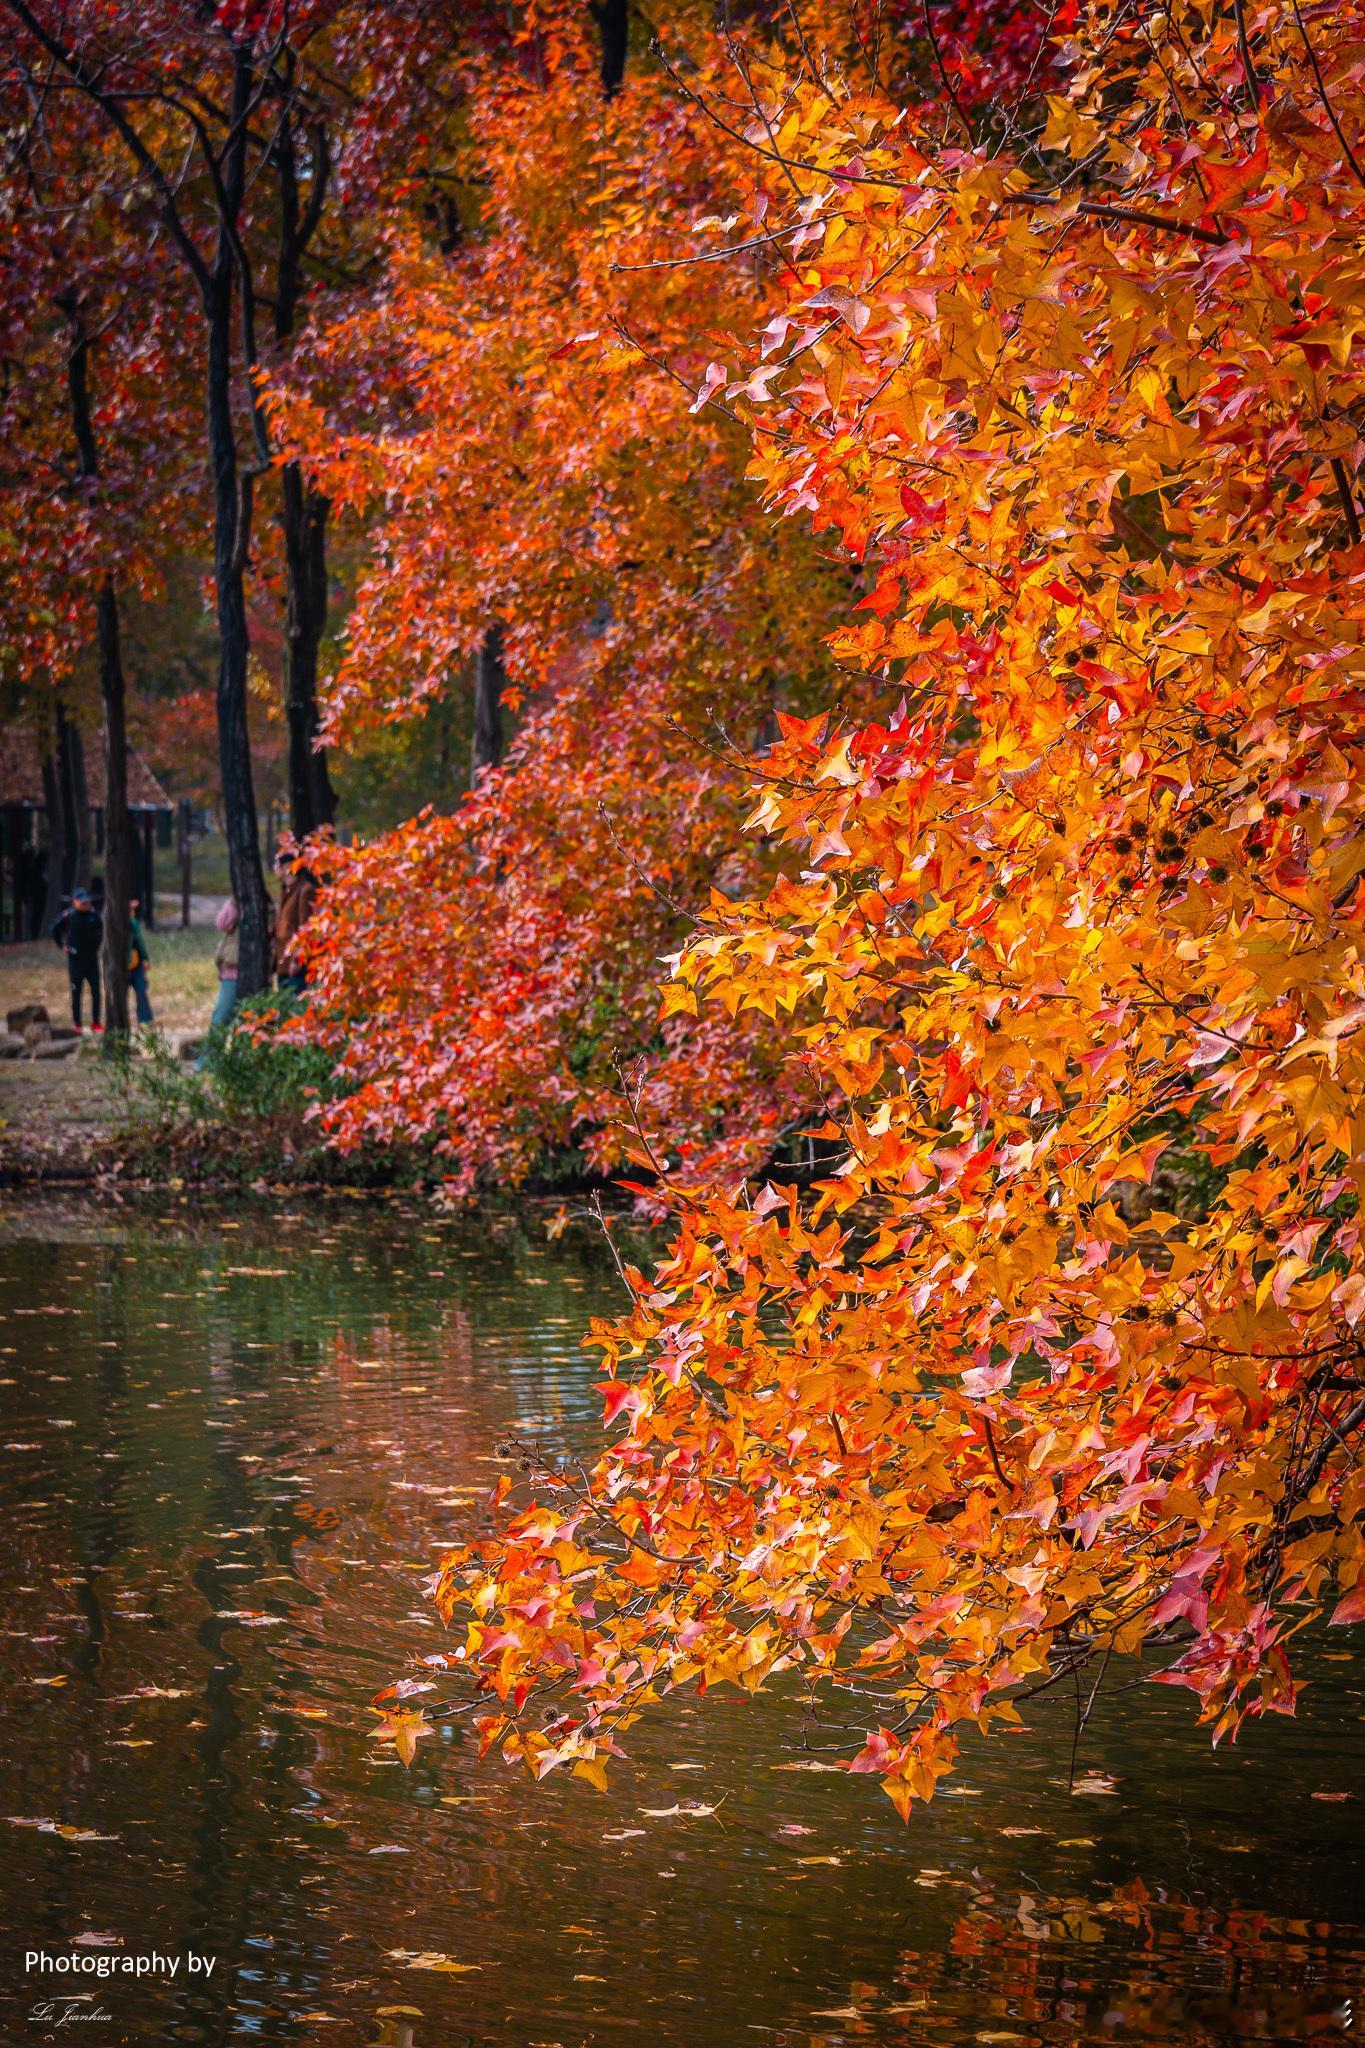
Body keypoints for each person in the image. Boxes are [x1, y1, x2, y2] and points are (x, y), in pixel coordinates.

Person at [52, 886, 103, 1030]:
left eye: (87, 901)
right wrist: (62, 945)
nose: (86, 904)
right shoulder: (69, 916)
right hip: (76, 960)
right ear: (75, 902)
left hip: (92, 959)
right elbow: (54, 929)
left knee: (96, 992)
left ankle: (96, 1022)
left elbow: (103, 929)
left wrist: (100, 943)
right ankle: (77, 1023)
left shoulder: (94, 915)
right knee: (76, 992)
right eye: (82, 902)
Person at [274, 864, 318, 996]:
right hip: (283, 963)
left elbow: (306, 928)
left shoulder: (305, 891)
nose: (274, 869)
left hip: (296, 966)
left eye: (276, 864)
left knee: (296, 1006)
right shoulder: (287, 890)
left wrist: (298, 959)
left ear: (287, 867)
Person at [211, 898, 240, 1033]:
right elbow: (222, 923)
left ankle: (209, 1055)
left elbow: (222, 923)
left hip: (234, 972)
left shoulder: (261, 903)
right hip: (230, 970)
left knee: (221, 1021)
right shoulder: (237, 903)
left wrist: (233, 903)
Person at [128, 898, 154, 1026]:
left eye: (133, 910)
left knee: (141, 991)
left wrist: (145, 959)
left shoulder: (133, 923)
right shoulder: (115, 926)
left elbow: (140, 943)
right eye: (130, 909)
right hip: (122, 967)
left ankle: (145, 1021)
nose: (133, 912)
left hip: (136, 964)